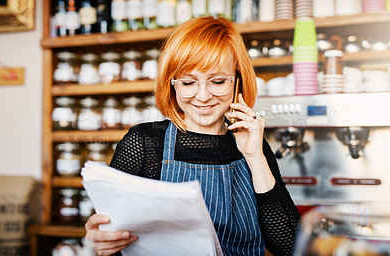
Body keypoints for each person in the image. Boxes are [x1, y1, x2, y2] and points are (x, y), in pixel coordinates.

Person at [85, 16, 300, 256]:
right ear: (172, 84)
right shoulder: (144, 143)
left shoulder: (254, 145)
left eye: (218, 81)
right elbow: (109, 234)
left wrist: (254, 156)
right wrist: (99, 240)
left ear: (237, 80)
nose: (203, 95)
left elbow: (289, 247)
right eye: (188, 82)